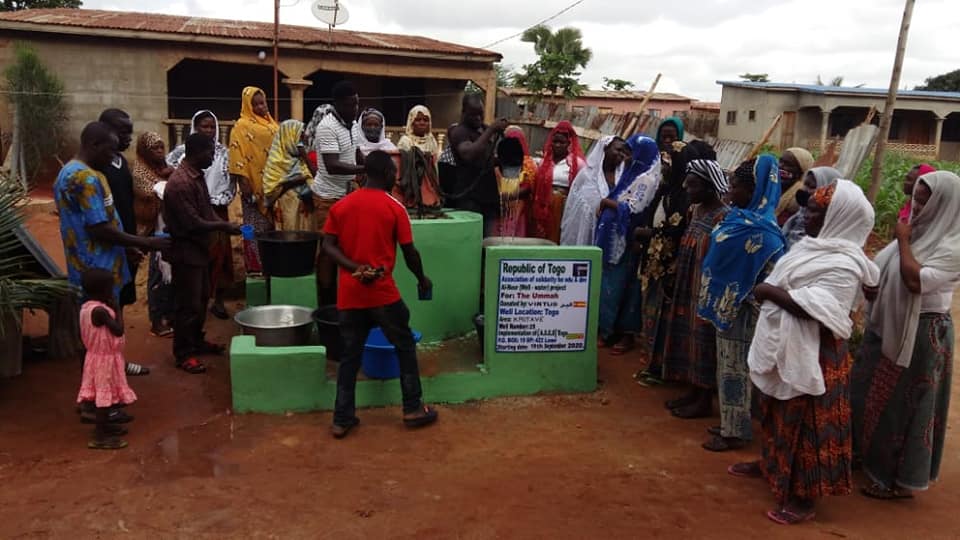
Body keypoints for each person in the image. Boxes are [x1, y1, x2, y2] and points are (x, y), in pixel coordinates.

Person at [733, 180, 879, 526]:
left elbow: (816, 308)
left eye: (814, 210)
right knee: (775, 408)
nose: (805, 215)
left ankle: (804, 496)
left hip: (818, 353)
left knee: (811, 422)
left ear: (837, 218)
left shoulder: (844, 263)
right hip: (784, 343)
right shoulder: (812, 247)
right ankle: (771, 464)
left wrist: (766, 290)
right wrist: (772, 291)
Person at [853, 170, 960, 501]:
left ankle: (895, 480)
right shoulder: (919, 230)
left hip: (923, 332)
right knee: (870, 393)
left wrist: (901, 240)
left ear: (946, 204)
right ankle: (867, 458)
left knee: (905, 405)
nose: (918, 204)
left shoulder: (953, 244)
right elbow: (884, 268)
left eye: (926, 200)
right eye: (917, 197)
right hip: (890, 325)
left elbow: (917, 281)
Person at [322, 150, 438, 438]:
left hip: (349, 294)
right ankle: (412, 407)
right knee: (404, 345)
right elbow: (409, 252)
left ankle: (342, 418)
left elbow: (327, 246)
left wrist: (353, 268)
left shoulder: (342, 206)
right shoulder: (394, 207)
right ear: (387, 174)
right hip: (382, 293)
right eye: (394, 175)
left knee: (350, 356)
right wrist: (421, 279)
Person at [55, 122, 169, 390]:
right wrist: (146, 242)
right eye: (109, 151)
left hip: (92, 261)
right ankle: (98, 397)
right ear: (94, 145)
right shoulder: (85, 178)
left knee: (95, 334)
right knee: (98, 336)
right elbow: (99, 227)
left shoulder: (69, 172)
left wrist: (127, 246)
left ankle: (106, 384)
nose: (113, 158)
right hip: (97, 266)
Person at [697, 156, 785, 451]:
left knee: (737, 370)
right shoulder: (737, 218)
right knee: (726, 367)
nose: (729, 192)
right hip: (725, 306)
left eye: (735, 186)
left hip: (744, 311)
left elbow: (772, 276)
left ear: (753, 190)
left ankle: (735, 431)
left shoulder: (767, 233)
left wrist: (740, 297)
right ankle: (731, 420)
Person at [634, 140, 712, 386]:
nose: (665, 167)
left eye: (671, 162)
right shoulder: (666, 189)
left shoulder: (686, 198)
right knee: (650, 312)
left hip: (670, 265)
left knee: (663, 318)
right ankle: (652, 363)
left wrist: (650, 235)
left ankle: (661, 368)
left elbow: (676, 230)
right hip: (654, 261)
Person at [163, 134, 240, 374]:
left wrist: (220, 224)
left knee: (200, 300)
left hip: (200, 250)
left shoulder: (196, 176)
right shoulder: (181, 183)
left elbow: (206, 211)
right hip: (187, 252)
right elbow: (192, 222)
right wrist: (223, 227)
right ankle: (184, 353)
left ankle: (196, 341)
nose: (212, 156)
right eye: (209, 152)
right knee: (188, 305)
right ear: (196, 152)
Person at [660, 157, 729, 418]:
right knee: (686, 336)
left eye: (693, 186)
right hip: (687, 284)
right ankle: (692, 390)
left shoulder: (723, 216)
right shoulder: (696, 210)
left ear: (710, 186)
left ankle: (704, 399)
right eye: (687, 185)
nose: (688, 190)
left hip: (706, 288)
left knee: (703, 342)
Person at [595, 135, 661, 354]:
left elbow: (633, 208)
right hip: (615, 238)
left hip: (628, 241)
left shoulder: (647, 179)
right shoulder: (631, 173)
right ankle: (607, 330)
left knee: (621, 287)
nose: (624, 156)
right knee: (610, 284)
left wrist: (607, 203)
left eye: (629, 152)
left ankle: (619, 333)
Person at [168, 110, 235, 320]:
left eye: (212, 126)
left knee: (220, 259)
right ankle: (187, 339)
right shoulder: (182, 166)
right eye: (204, 127)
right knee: (194, 270)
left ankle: (216, 302)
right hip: (192, 224)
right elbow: (193, 221)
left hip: (216, 211)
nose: (209, 131)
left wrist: (218, 206)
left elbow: (230, 183)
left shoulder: (218, 156)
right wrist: (223, 225)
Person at [311, 81, 364, 305]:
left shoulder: (352, 125)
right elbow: (332, 165)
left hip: (348, 195)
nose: (356, 109)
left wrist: (370, 166)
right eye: (351, 105)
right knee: (327, 251)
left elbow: (356, 152)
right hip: (327, 198)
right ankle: (326, 300)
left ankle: (343, 297)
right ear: (339, 104)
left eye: (357, 104)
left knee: (349, 247)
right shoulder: (327, 127)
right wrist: (364, 169)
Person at [76, 268, 137, 450]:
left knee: (106, 394)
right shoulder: (100, 312)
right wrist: (117, 309)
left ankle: (106, 427)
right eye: (110, 288)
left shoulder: (86, 308)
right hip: (103, 360)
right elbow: (118, 330)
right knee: (103, 399)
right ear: (103, 290)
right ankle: (99, 436)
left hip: (98, 357)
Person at [229, 86, 279, 273]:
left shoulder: (271, 123)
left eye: (263, 102)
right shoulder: (241, 126)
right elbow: (236, 153)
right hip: (253, 186)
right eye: (256, 104)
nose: (261, 107)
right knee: (257, 229)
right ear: (248, 105)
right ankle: (256, 269)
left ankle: (273, 267)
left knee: (274, 228)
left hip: (274, 184)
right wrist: (244, 181)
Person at [444, 93, 508, 236]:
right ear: (463, 112)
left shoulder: (483, 129)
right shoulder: (458, 131)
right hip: (469, 199)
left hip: (489, 198)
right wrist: (491, 130)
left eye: (481, 114)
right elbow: (468, 154)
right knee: (471, 241)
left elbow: (486, 160)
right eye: (474, 115)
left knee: (489, 245)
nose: (478, 118)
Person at [132, 132, 175, 337]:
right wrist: (169, 179)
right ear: (144, 151)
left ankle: (169, 315)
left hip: (167, 227)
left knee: (171, 276)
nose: (159, 152)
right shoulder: (139, 171)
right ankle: (156, 321)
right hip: (152, 230)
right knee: (157, 274)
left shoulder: (163, 167)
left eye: (161, 147)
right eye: (154, 148)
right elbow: (152, 191)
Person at [559, 136, 628, 246]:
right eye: (618, 150)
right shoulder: (587, 176)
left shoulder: (623, 178)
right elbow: (575, 209)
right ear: (605, 149)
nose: (622, 155)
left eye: (624, 152)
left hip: (611, 235)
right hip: (587, 232)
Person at [532, 120, 585, 243]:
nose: (557, 145)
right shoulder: (544, 163)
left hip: (565, 206)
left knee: (560, 236)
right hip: (544, 206)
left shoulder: (577, 163)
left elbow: (582, 186)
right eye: (555, 142)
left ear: (568, 143)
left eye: (561, 142)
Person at [261, 119, 316, 232]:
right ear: (289, 137)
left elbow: (315, 177)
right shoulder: (276, 161)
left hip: (304, 212)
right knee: (289, 240)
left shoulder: (302, 160)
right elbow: (270, 190)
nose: (302, 141)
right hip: (286, 209)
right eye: (299, 137)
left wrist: (305, 157)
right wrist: (294, 181)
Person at [780, 166, 842, 249]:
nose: (805, 190)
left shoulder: (822, 231)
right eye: (805, 184)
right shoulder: (797, 218)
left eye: (812, 187)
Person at [395, 105, 442, 213]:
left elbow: (435, 166)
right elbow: (402, 167)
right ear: (411, 122)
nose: (422, 123)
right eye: (418, 120)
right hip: (411, 186)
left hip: (429, 186)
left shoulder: (432, 141)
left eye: (425, 120)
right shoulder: (405, 141)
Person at [492, 126, 536, 237]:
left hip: (513, 208)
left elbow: (529, 188)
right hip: (513, 208)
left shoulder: (528, 164)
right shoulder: (531, 163)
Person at [775, 147, 814, 225]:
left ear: (801, 171)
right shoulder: (771, 187)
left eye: (788, 164)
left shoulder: (799, 198)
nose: (780, 166)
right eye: (780, 161)